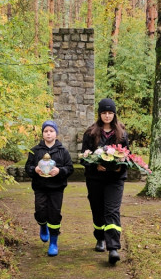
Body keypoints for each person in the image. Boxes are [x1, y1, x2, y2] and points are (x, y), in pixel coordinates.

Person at [80, 98, 129, 264]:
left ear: (114, 114)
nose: (107, 116)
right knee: (98, 210)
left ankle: (113, 247)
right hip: (95, 179)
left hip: (115, 180)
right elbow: (83, 158)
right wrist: (95, 166)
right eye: (104, 112)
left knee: (112, 211)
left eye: (110, 113)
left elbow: (127, 156)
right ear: (99, 114)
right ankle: (100, 238)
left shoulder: (121, 133)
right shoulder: (90, 133)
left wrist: (119, 167)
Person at [24, 120, 73, 256]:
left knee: (54, 214)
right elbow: (27, 168)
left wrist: (59, 171)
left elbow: (70, 168)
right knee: (40, 211)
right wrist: (35, 169)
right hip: (40, 187)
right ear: (42, 134)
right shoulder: (35, 151)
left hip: (57, 188)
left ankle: (53, 242)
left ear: (56, 134)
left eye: (51, 131)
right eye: (46, 131)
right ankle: (42, 225)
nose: (48, 133)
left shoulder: (63, 151)